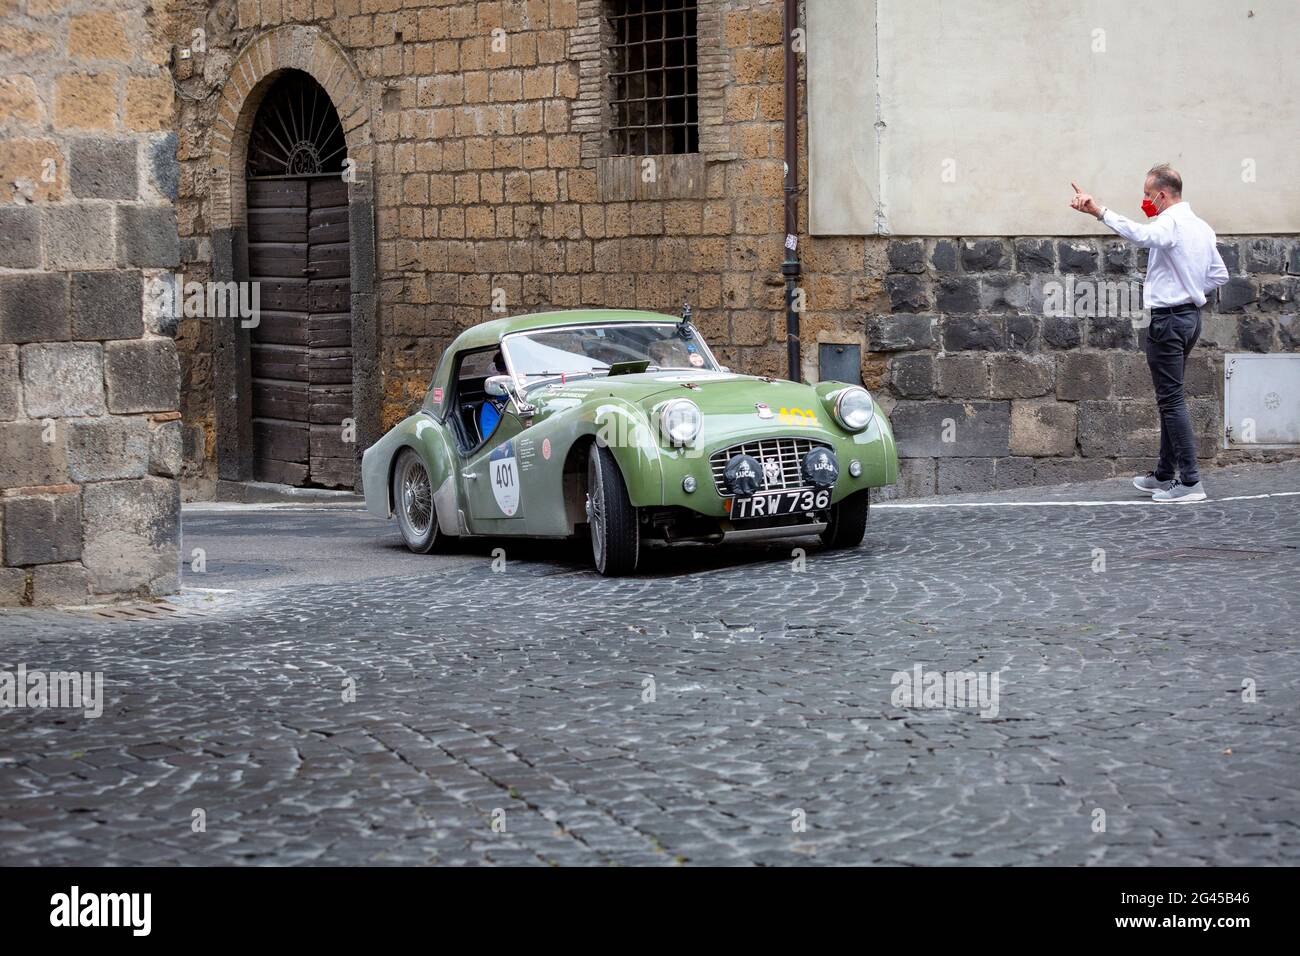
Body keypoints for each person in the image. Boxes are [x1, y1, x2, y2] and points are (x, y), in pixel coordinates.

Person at [1070, 164, 1228, 503]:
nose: (1145, 201)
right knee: (1171, 397)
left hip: (1169, 321)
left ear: (1163, 194)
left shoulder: (1170, 222)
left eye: (1147, 195)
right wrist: (1187, 286)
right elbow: (1219, 275)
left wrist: (1098, 211)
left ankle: (1190, 482)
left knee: (1171, 401)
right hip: (1190, 319)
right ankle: (1163, 475)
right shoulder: (1201, 227)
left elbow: (1141, 235)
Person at [479, 350, 508, 441]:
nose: (507, 370)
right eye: (501, 366)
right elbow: (495, 445)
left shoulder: (535, 395)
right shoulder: (491, 407)